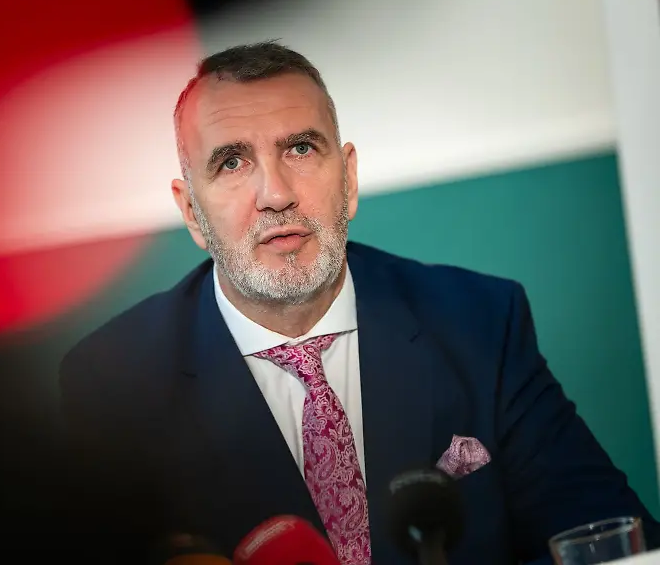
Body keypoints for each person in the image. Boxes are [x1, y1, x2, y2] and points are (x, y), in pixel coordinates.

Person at [57, 41, 659, 565]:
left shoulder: (480, 320)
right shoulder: (114, 383)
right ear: (192, 211)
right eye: (232, 162)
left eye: (300, 149)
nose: (275, 194)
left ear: (347, 179)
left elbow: (614, 542)